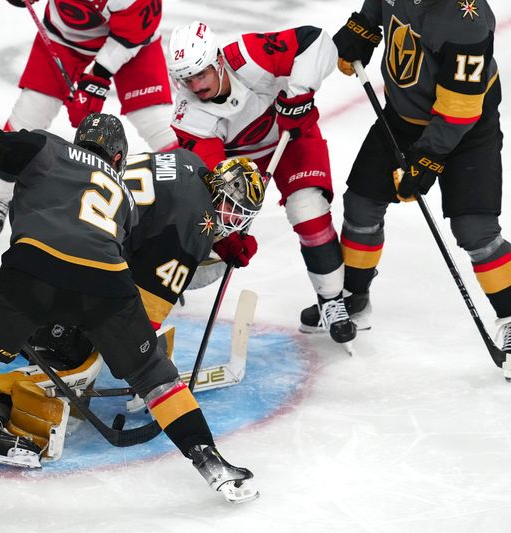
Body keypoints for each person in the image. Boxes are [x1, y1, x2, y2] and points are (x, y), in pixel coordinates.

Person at [0, 113, 259, 503]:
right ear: (120, 159)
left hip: (30, 272)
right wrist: (128, 344)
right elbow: (119, 272)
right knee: (153, 374)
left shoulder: (47, 147)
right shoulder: (125, 199)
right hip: (105, 284)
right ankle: (212, 463)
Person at [0, 153, 263, 467]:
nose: (234, 223)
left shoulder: (189, 164)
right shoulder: (191, 226)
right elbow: (146, 315)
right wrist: (143, 363)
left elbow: (150, 231)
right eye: (233, 213)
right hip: (65, 268)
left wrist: (213, 247)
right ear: (218, 193)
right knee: (70, 356)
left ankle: (21, 317)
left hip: (50, 234)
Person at [330, 1, 511, 375]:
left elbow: (460, 108)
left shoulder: (467, 20)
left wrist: (426, 161)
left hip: (467, 130)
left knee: (475, 230)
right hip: (402, 116)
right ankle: (355, 297)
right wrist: (364, 27)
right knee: (361, 204)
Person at [166, 21, 357, 348]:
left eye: (201, 74)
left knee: (307, 209)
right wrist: (224, 233)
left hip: (293, 135)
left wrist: (299, 95)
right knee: (201, 219)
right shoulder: (189, 115)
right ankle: (164, 283)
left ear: (217, 61)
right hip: (242, 165)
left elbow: (316, 41)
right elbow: (209, 179)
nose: (195, 86)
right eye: (186, 78)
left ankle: (331, 299)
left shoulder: (247, 55)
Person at [0, 0, 178, 236]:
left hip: (131, 42)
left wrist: (99, 75)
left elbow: (136, 30)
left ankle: (191, 196)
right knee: (29, 115)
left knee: (156, 122)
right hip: (65, 36)